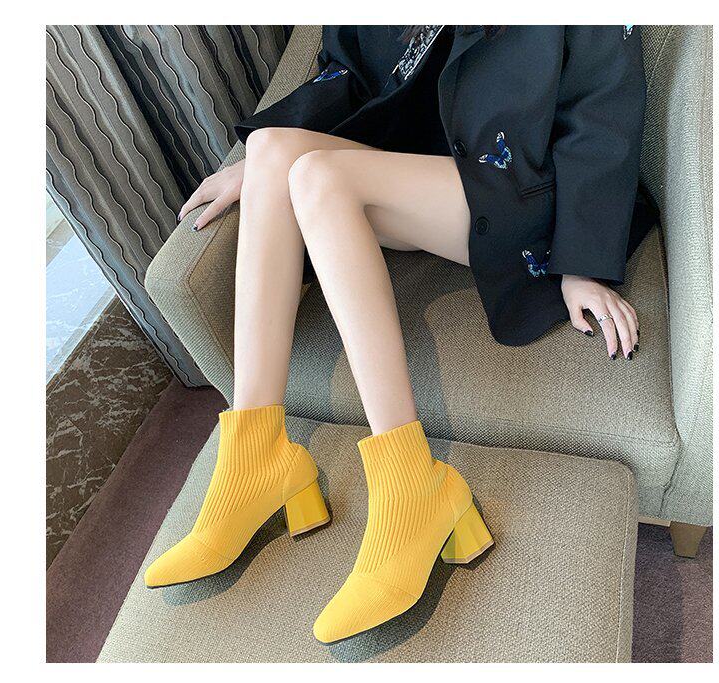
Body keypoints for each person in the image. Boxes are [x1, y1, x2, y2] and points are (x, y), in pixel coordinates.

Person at [143, 25, 657, 643]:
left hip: (523, 186)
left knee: (321, 178)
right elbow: (345, 69)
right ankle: (256, 455)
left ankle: (412, 485)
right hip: (413, 162)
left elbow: (602, 107)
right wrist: (258, 169)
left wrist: (582, 265)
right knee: (275, 151)